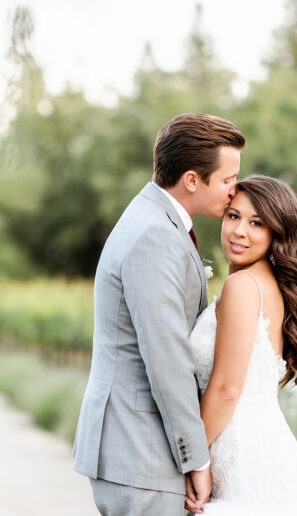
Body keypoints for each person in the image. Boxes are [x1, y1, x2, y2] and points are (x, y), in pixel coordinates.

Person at [72, 113, 245, 516]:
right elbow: (166, 360)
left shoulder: (153, 219)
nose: (234, 190)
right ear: (191, 180)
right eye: (226, 179)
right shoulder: (156, 235)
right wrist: (197, 459)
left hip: (137, 450)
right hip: (141, 453)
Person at [186, 175, 297, 516]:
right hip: (266, 452)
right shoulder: (269, 285)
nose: (239, 231)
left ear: (276, 232)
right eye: (233, 216)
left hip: (247, 465)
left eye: (256, 223)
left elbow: (227, 389)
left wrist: (190, 455)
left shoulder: (243, 286)